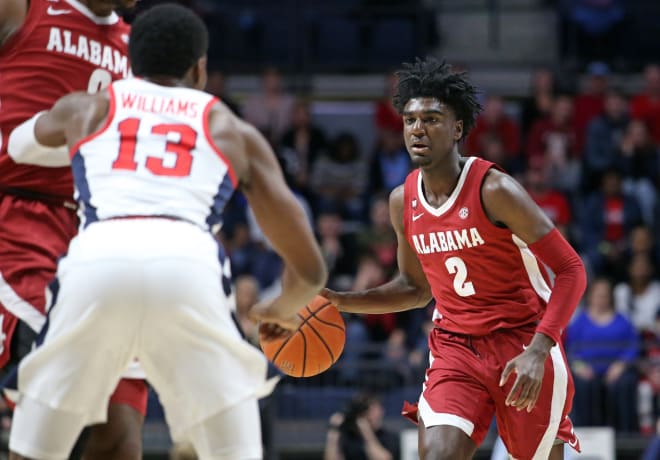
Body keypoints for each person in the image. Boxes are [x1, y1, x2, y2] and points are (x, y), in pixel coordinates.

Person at [5, 4, 326, 459]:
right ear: (200, 69)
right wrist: (274, 309)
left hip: (96, 259)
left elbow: (19, 144)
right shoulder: (230, 128)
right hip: (188, 264)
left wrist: (89, 151)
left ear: (127, 62)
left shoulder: (89, 109)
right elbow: (311, 271)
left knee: (35, 449)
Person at [323, 58, 587, 460]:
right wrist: (343, 301)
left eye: (431, 119)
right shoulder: (402, 201)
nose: (417, 129)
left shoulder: (495, 190)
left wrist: (538, 350)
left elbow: (571, 270)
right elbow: (414, 289)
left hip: (522, 341)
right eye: (410, 120)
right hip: (455, 347)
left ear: (457, 128)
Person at [0, 0, 148, 458]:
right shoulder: (24, 9)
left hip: (93, 235)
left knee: (121, 422)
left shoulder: (138, 48)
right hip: (17, 217)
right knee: (48, 406)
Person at [324, 393, 400, 460]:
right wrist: (333, 433)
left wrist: (366, 432)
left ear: (381, 411)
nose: (368, 414)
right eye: (366, 410)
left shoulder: (389, 437)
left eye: (372, 409)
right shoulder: (349, 437)